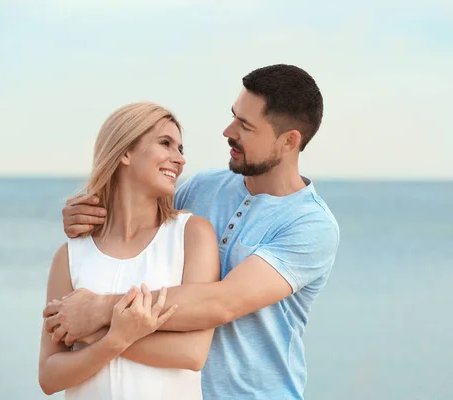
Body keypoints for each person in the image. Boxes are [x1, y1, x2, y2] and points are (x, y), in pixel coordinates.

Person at [45, 64, 340, 399]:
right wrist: (90, 214)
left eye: (245, 125)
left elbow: (220, 303)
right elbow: (142, 228)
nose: (228, 131)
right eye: (233, 116)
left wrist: (98, 313)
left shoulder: (310, 225)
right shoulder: (202, 189)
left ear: (289, 141)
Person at [38, 102, 220, 399]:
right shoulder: (70, 255)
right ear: (124, 152)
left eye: (181, 149)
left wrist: (94, 330)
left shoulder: (192, 235)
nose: (180, 160)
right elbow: (49, 377)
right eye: (165, 144)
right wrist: (113, 341)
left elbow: (192, 353)